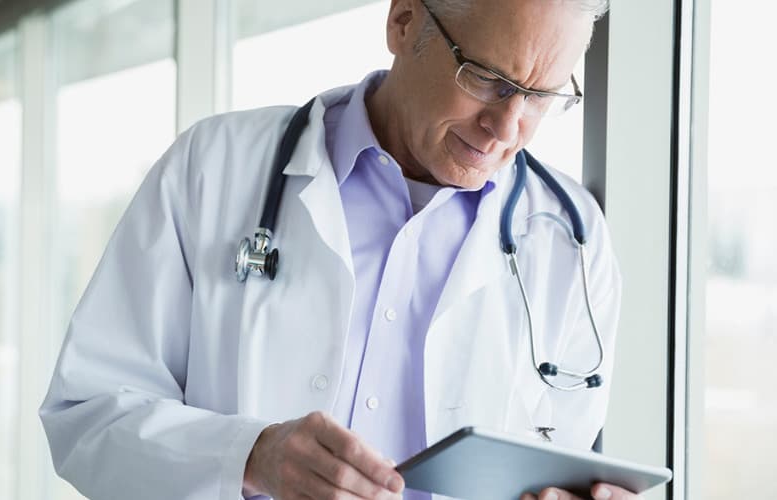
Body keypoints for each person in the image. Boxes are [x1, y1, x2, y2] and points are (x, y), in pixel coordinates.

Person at [40, 0, 637, 499]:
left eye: (541, 96)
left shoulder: (571, 239)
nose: (507, 128)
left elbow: (558, 458)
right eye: (485, 77)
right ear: (403, 22)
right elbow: (88, 414)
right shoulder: (214, 168)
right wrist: (250, 455)